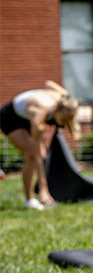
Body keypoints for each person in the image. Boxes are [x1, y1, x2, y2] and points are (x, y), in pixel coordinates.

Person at [0, 81, 80, 210]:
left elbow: (48, 83)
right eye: (64, 120)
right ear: (57, 110)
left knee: (42, 155)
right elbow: (36, 153)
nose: (64, 124)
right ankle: (30, 200)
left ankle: (34, 196)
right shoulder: (39, 115)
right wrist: (44, 188)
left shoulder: (65, 98)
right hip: (10, 117)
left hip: (26, 115)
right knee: (31, 154)